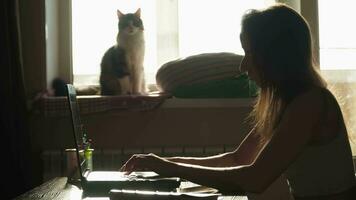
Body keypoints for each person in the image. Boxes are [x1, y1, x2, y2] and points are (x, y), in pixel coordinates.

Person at [120, 4, 356, 199]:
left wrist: (169, 167)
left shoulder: (310, 104)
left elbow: (254, 179)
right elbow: (237, 159)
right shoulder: (286, 103)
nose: (243, 66)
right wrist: (160, 162)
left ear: (275, 56)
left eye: (249, 53)